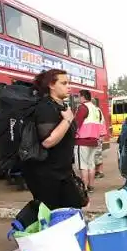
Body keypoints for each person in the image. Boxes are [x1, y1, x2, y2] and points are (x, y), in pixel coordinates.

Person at [21, 70, 87, 210]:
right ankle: (22, 226)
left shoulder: (61, 106)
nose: (68, 87)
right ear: (51, 85)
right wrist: (67, 120)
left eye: (68, 83)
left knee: (73, 209)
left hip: (63, 172)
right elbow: (48, 141)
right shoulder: (45, 107)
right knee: (52, 216)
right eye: (63, 83)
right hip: (47, 175)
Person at [73, 89, 103, 193]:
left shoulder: (82, 107)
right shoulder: (96, 109)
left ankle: (84, 188)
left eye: (78, 96)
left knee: (83, 165)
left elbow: (76, 124)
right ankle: (91, 186)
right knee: (91, 165)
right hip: (94, 141)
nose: (77, 99)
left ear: (82, 97)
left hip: (82, 141)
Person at [92, 97, 106, 179]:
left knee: (97, 153)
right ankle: (98, 171)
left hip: (97, 135)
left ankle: (100, 171)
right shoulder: (98, 110)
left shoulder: (95, 111)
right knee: (97, 153)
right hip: (99, 135)